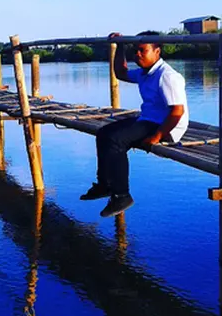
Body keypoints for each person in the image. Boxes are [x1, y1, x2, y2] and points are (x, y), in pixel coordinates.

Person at [80, 31, 189, 217]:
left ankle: (122, 195)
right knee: (104, 132)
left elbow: (177, 112)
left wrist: (157, 136)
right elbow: (120, 72)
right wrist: (120, 47)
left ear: (157, 52)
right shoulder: (144, 73)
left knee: (116, 140)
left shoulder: (167, 76)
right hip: (148, 119)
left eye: (142, 50)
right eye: (135, 51)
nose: (137, 54)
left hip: (166, 126)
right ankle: (104, 184)